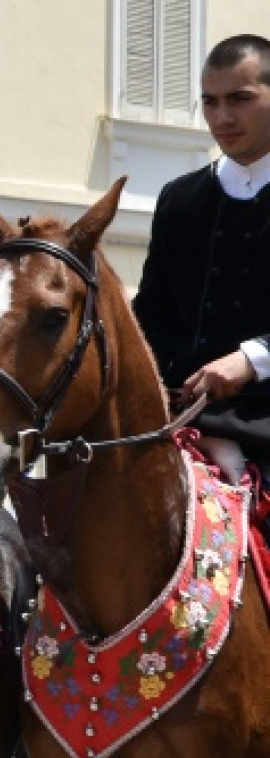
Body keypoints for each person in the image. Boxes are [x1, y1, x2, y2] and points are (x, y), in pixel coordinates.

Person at [133, 34, 270, 482]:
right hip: (180, 425)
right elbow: (152, 316)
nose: (222, 117)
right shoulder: (179, 199)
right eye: (210, 102)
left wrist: (251, 360)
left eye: (240, 99)